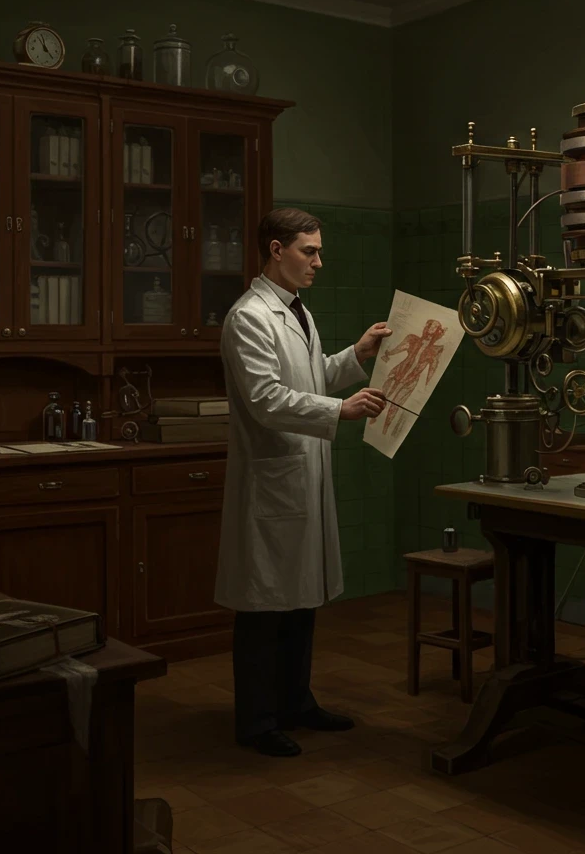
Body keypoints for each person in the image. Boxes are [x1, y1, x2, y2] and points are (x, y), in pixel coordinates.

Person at [216, 207, 392, 758]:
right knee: (265, 606)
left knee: (298, 601)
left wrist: (355, 357)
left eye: (318, 250)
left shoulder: (297, 312)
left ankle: (297, 702)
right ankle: (256, 720)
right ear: (275, 249)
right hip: (273, 480)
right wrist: (340, 410)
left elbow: (310, 379)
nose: (318, 260)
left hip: (301, 474)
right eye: (308, 251)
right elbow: (267, 399)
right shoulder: (250, 317)